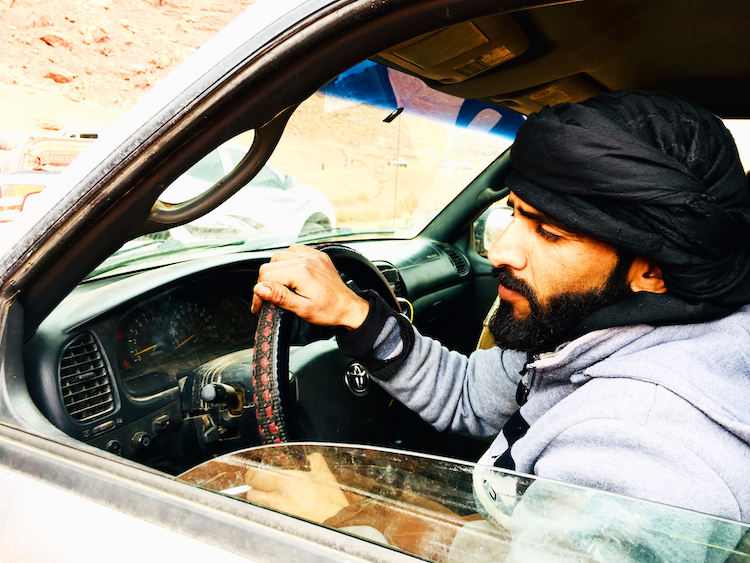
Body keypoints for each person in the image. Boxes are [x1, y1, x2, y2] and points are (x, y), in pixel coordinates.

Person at [246, 91, 750, 559]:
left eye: (549, 233)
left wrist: (343, 518)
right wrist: (353, 313)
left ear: (653, 270)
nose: (498, 251)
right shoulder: (584, 333)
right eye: (514, 213)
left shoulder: (643, 447)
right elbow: (467, 396)